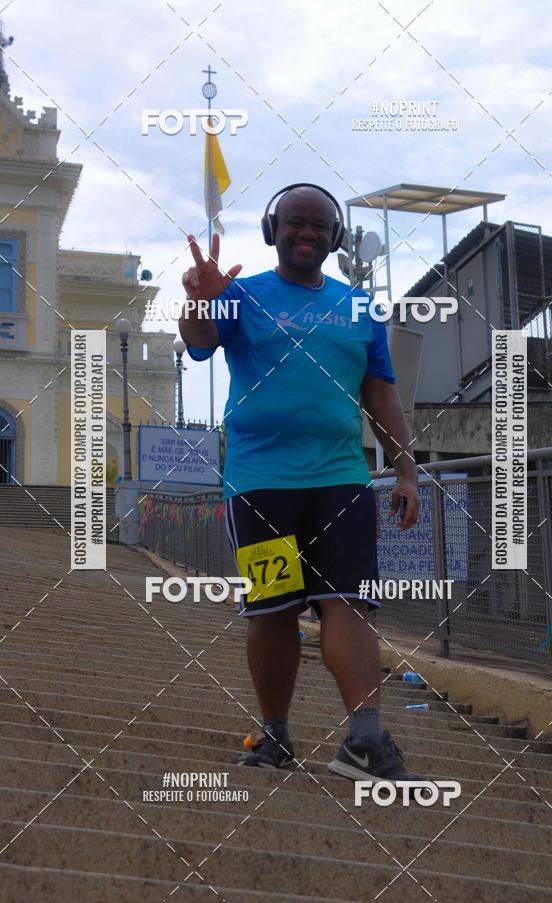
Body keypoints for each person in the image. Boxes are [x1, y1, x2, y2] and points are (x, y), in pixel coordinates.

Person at [179, 183, 422, 782]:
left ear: (336, 238)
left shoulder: (360, 308)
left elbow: (381, 392)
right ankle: (275, 736)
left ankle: (364, 742)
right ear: (272, 230)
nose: (306, 233)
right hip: (260, 483)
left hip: (342, 479)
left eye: (319, 225)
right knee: (274, 611)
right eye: (294, 223)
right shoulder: (241, 295)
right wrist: (198, 300)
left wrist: (407, 468)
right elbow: (200, 343)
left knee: (351, 606)